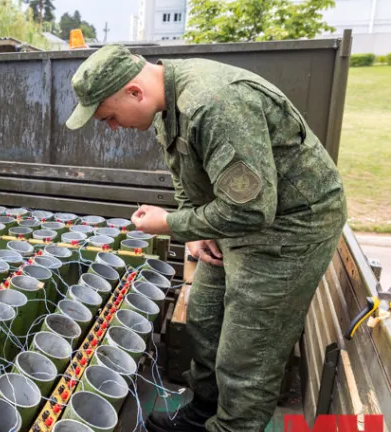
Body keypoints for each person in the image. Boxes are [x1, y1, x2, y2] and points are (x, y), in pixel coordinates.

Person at [66, 45, 346, 432]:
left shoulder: (214, 105)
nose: (112, 127)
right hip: (235, 217)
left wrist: (173, 224)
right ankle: (201, 414)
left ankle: (232, 426)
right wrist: (197, 234)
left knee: (247, 353)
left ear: (134, 92)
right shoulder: (166, 106)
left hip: (289, 228)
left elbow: (252, 211)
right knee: (204, 318)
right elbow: (186, 176)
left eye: (109, 117)